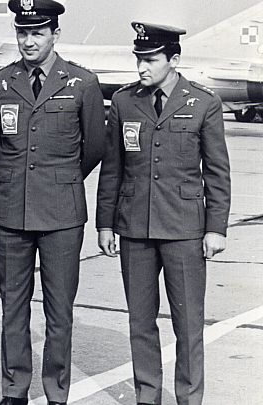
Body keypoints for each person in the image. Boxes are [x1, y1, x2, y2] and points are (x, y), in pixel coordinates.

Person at [96, 22, 231, 405]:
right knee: (140, 321)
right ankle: (147, 397)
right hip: (134, 227)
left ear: (174, 60)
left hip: (184, 229)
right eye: (138, 58)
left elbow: (217, 171)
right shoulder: (124, 101)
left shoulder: (202, 102)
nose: (142, 67)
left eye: (151, 60)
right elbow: (112, 167)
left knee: (188, 325)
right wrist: (105, 223)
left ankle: (189, 398)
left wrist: (216, 228)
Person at [0, 0, 105, 405]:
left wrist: (58, 181)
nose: (29, 41)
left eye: (37, 33)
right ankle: (14, 390)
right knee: (13, 306)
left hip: (62, 215)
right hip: (11, 213)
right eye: (23, 33)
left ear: (55, 33)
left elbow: (93, 148)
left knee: (59, 310)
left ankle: (56, 392)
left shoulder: (82, 83)